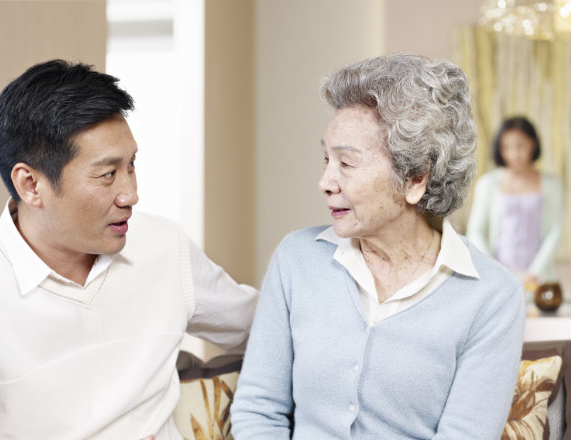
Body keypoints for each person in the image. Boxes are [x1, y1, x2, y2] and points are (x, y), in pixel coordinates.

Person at [0, 60, 258, 439]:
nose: (131, 194)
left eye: (131, 166)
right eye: (107, 174)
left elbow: (269, 330)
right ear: (30, 184)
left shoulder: (164, 247)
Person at [231, 53, 524, 439]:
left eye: (346, 164)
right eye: (325, 159)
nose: (325, 182)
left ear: (416, 178)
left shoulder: (492, 297)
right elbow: (258, 409)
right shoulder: (296, 259)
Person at [467, 116, 563, 286]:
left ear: (533, 143)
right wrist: (494, 268)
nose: (514, 154)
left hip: (540, 279)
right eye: (506, 147)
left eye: (520, 146)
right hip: (497, 278)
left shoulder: (552, 185)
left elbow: (554, 232)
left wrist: (533, 273)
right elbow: (475, 230)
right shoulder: (487, 184)